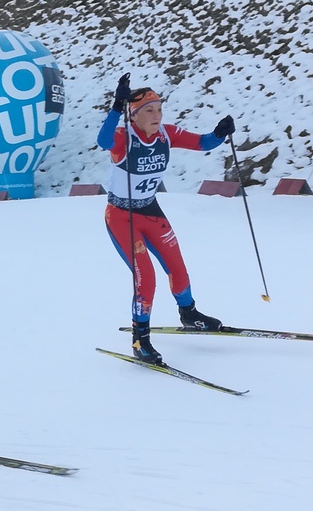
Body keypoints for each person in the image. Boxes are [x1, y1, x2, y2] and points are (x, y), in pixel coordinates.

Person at [97, 74, 235, 364]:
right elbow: (102, 140)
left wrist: (220, 133)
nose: (156, 115)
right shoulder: (123, 137)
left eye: (159, 109)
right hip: (122, 216)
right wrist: (116, 107)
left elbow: (202, 143)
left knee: (177, 266)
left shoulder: (166, 134)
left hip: (150, 210)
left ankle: (189, 314)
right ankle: (140, 340)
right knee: (145, 277)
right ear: (134, 115)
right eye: (149, 110)